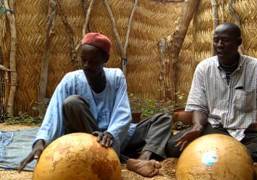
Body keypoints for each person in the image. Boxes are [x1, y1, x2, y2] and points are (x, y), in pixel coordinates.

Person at [18, 32, 172, 177]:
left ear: (105, 59)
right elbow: (54, 114)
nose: (86, 65)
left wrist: (111, 133)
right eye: (83, 60)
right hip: (86, 137)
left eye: (92, 61)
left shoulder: (116, 77)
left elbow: (123, 112)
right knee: (72, 103)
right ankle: (123, 160)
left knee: (163, 119)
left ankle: (143, 158)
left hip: (114, 137)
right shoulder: (71, 80)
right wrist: (40, 142)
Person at [166, 23, 257, 165]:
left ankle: (221, 154)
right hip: (213, 130)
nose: (219, 44)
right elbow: (199, 107)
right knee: (173, 146)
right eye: (216, 40)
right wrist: (197, 127)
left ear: (238, 42)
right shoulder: (204, 68)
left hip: (247, 133)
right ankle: (235, 155)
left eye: (225, 40)